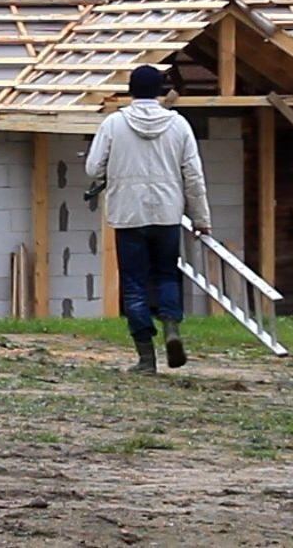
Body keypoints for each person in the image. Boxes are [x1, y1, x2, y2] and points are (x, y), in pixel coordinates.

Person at [86, 65, 211, 374]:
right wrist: (200, 218)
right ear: (160, 91)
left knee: (134, 284)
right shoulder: (179, 125)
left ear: (130, 90)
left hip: (128, 214)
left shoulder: (114, 124)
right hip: (167, 212)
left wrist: (109, 176)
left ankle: (145, 358)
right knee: (167, 275)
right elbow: (193, 176)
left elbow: (93, 168)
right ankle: (171, 328)